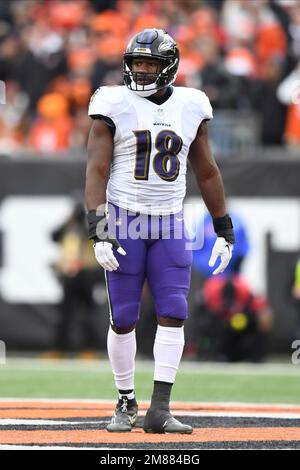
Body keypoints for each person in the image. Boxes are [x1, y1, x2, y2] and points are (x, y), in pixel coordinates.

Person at [85, 28, 235, 434]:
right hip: (125, 218)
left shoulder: (191, 104)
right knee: (125, 317)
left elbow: (206, 170)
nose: (142, 71)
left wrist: (224, 229)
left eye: (150, 63)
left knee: (174, 311)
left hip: (170, 222)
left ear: (169, 67)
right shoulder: (112, 102)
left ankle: (160, 409)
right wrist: (99, 228)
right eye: (136, 63)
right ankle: (125, 400)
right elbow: (97, 169)